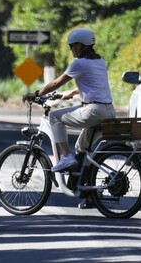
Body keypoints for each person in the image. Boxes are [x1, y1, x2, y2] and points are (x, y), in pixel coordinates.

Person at [22, 28, 116, 174]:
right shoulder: (100, 61)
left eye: (71, 46)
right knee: (82, 149)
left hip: (93, 112)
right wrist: (71, 92)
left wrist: (36, 94)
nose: (71, 49)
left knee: (54, 116)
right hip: (108, 111)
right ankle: (88, 189)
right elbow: (95, 84)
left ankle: (65, 157)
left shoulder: (78, 64)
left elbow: (56, 83)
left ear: (80, 46)